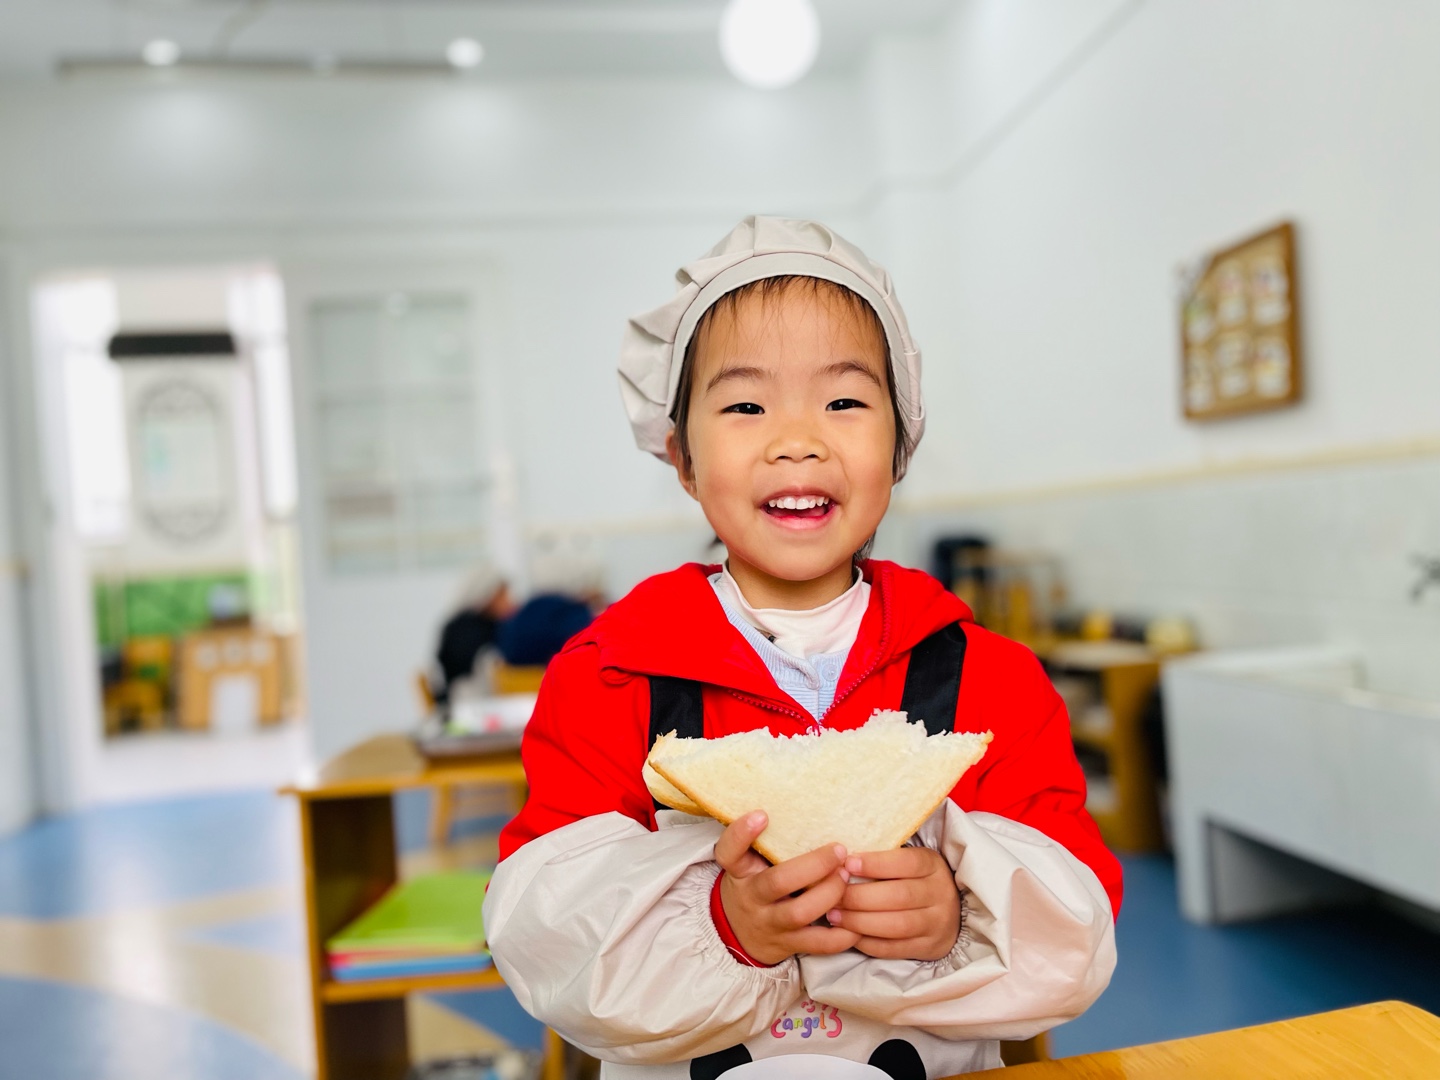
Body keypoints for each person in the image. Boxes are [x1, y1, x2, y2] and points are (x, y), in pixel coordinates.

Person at [484, 218, 1121, 1080]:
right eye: (745, 406)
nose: (797, 439)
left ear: (900, 446)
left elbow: (1077, 932)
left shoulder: (990, 679)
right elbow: (546, 940)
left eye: (845, 402)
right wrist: (723, 924)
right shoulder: (608, 677)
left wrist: (959, 916)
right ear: (682, 458)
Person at [433, 562, 514, 705]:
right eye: (502, 595)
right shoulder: (468, 631)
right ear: (487, 596)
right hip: (466, 707)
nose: (510, 601)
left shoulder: (488, 625)